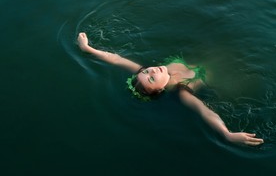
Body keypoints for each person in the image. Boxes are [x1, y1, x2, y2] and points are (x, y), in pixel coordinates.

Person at [78, 32, 264, 146]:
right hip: (222, 71)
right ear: (158, 90)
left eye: (146, 71)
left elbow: (117, 59)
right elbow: (204, 112)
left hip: (203, 54)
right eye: (151, 78)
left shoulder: (148, 71)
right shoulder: (182, 91)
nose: (150, 70)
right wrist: (227, 134)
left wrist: (88, 49)